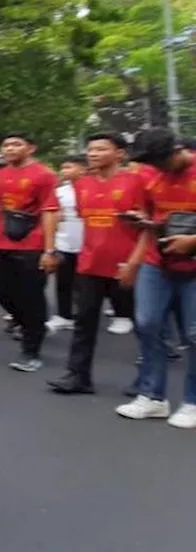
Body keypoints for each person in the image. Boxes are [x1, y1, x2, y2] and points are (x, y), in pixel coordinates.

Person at [47, 133, 142, 395]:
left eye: (101, 149)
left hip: (127, 265)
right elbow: (82, 217)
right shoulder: (83, 184)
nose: (93, 154)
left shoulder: (136, 182)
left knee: (145, 324)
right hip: (89, 264)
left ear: (120, 154)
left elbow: (148, 222)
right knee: (84, 322)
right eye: (90, 149)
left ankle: (148, 380)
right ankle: (77, 376)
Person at [114, 128, 196, 428]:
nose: (157, 168)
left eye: (161, 161)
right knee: (147, 324)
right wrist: (133, 263)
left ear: (177, 150)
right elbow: (151, 223)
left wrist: (193, 241)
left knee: (194, 334)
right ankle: (152, 398)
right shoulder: (147, 175)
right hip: (157, 262)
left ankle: (192, 402)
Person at [0, 133, 60, 373]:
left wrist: (49, 250)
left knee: (31, 295)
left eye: (16, 144)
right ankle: (33, 324)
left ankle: (31, 352)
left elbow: (50, 211)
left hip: (33, 242)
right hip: (3, 241)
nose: (10, 149)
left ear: (31, 148)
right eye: (6, 144)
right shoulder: (2, 174)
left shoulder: (44, 174)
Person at [47, 156, 87, 332]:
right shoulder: (60, 191)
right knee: (63, 281)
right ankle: (64, 315)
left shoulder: (91, 188)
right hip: (63, 241)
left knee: (84, 283)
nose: (64, 171)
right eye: (62, 168)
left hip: (86, 243)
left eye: (69, 167)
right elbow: (52, 215)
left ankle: (85, 316)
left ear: (82, 169)